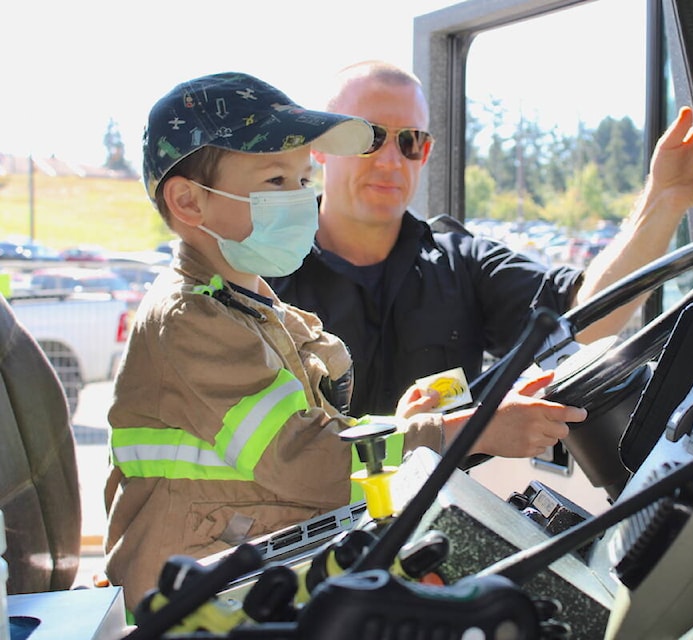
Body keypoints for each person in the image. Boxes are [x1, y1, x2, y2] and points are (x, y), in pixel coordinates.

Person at [102, 71, 584, 608]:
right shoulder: (189, 320)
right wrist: (470, 431)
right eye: (275, 182)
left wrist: (404, 427)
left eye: (302, 180)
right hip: (194, 603)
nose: (300, 198)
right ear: (190, 203)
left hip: (246, 576)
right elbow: (309, 463)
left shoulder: (252, 306)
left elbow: (309, 438)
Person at [267, 60, 693, 418]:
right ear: (321, 149)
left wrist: (663, 200)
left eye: (410, 141)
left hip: (432, 528)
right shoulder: (258, 276)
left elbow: (587, 317)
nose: (391, 160)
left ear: (426, 151)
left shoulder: (461, 265)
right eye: (368, 137)